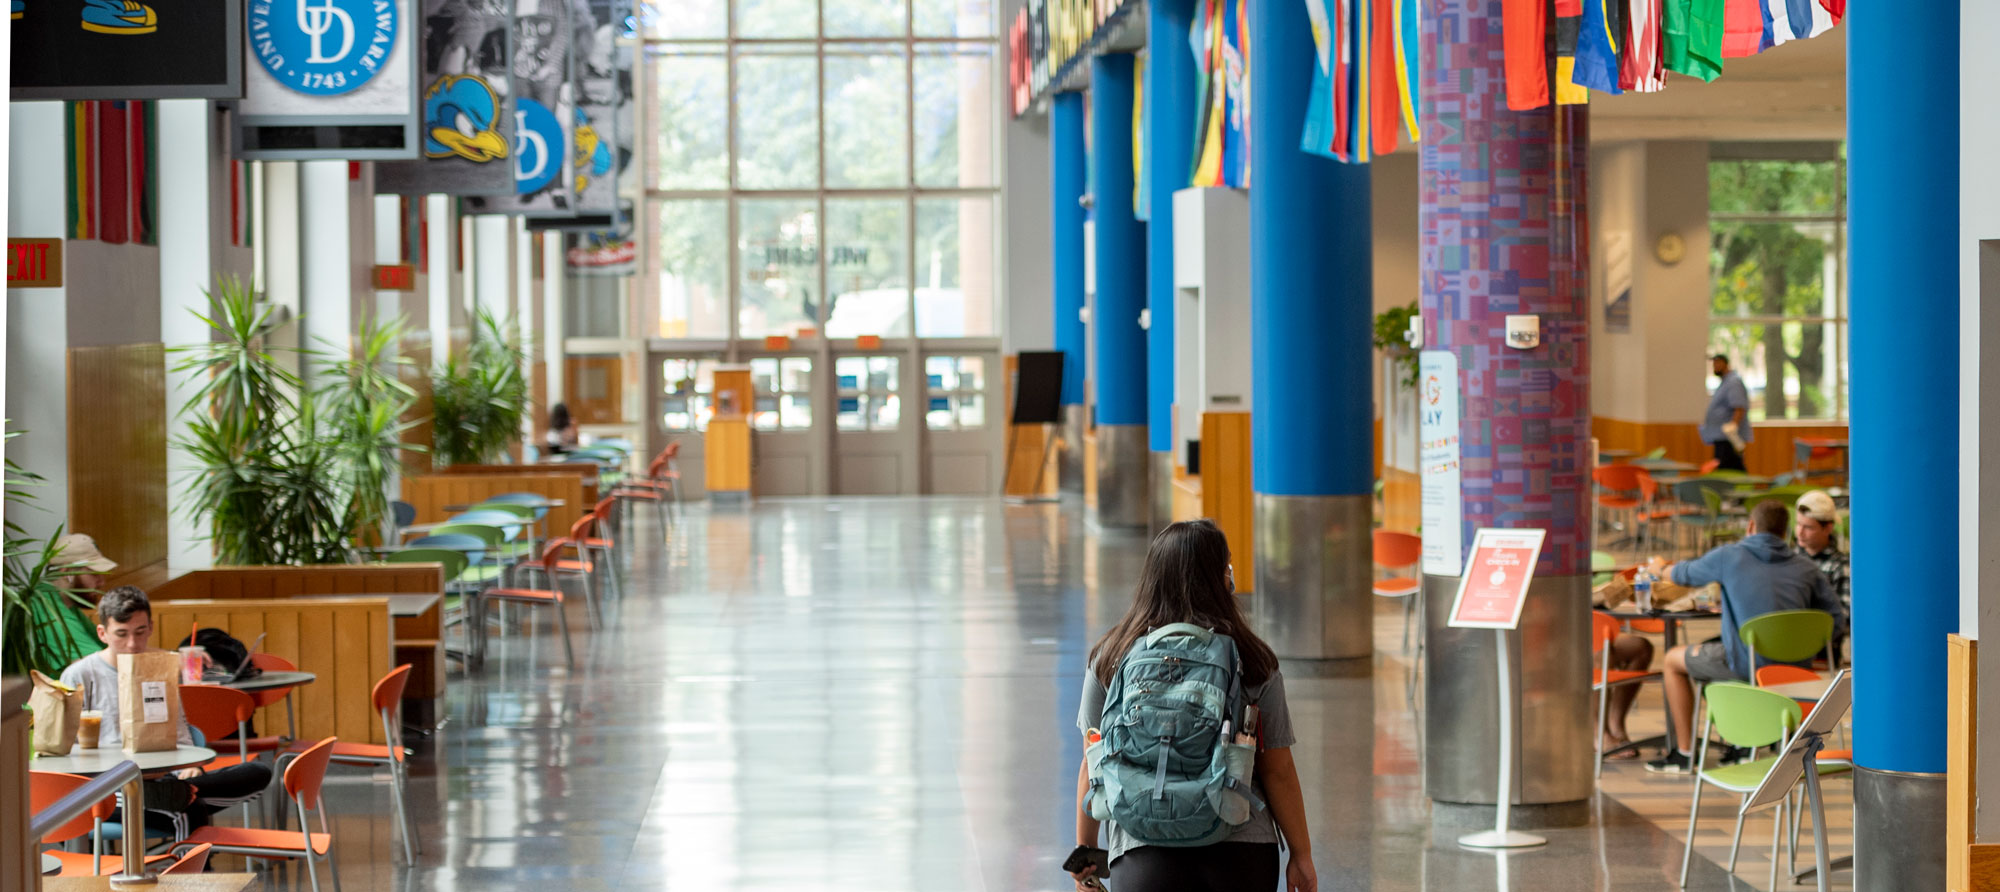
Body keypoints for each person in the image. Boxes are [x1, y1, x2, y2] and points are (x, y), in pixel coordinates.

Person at [1069, 520, 1316, 892]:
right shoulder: (1253, 660)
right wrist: (1302, 855)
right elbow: (1277, 769)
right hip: (1241, 851)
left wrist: (1087, 857)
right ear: (1221, 579)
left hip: (1143, 851)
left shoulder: (1110, 657)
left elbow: (1093, 758)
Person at [1641, 501, 1847, 774]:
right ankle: (1742, 744)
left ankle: (1684, 754)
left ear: (1751, 526)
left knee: (1672, 660)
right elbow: (1836, 619)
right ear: (1785, 531)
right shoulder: (1806, 567)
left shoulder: (1729, 556)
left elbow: (1681, 575)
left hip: (1743, 663)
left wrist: (1657, 567)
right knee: (1712, 650)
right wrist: (1805, 645)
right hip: (1794, 670)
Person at [58, 587, 274, 838]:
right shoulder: (79, 675)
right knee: (190, 807)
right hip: (106, 786)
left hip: (163, 776)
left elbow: (178, 729)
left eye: (140, 632)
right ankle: (178, 802)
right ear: (102, 633)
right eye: (121, 634)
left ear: (150, 627)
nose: (132, 644)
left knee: (258, 773)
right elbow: (65, 750)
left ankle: (181, 789)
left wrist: (189, 768)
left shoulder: (159, 667)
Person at [1701, 354, 1752, 472]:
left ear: (1725, 364)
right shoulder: (1724, 382)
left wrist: (1733, 425)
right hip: (1720, 436)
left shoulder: (1733, 382)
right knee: (1726, 466)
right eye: (1714, 364)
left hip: (1728, 437)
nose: (1715, 366)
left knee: (1729, 467)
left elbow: (1739, 407)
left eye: (1717, 363)